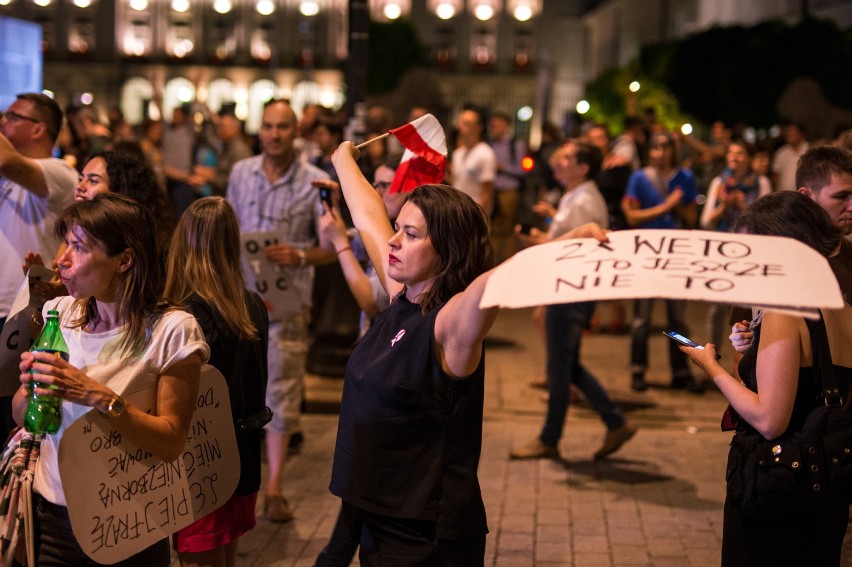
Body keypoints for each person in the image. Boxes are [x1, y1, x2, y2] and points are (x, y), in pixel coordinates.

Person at [328, 139, 607, 564]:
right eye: (398, 227)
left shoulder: (450, 322)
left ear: (448, 250)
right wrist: (342, 160)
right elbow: (366, 213)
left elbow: (499, 282)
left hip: (425, 535)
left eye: (412, 233)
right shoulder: (401, 294)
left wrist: (569, 242)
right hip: (378, 515)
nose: (393, 241)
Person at [15, 192, 209, 566]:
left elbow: (171, 441)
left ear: (125, 260)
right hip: (54, 515)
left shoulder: (173, 330)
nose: (61, 261)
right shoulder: (59, 314)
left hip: (131, 521)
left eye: (79, 247)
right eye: (66, 245)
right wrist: (31, 388)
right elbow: (22, 416)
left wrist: (99, 397)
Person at [681, 191, 852, 566]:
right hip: (827, 488)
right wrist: (755, 346)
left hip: (779, 491)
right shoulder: (839, 304)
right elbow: (816, 375)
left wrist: (711, 366)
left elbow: (770, 419)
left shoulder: (783, 307)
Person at [226, 99, 335, 523]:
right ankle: (238, 482)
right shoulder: (240, 173)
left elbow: (331, 250)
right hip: (238, 301)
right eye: (268, 126)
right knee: (237, 393)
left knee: (283, 392)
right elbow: (228, 232)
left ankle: (274, 489)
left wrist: (302, 256)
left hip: (286, 307)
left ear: (296, 132)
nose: (274, 134)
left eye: (283, 127)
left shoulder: (316, 182)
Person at [509, 140, 637, 461]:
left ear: (583, 167)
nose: (559, 162)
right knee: (568, 365)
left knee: (559, 367)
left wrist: (541, 243)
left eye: (568, 158)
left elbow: (574, 249)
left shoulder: (582, 201)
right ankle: (614, 422)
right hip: (568, 287)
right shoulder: (576, 197)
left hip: (570, 290)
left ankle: (549, 439)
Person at [164, 197, 269, 567]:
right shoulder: (252, 304)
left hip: (200, 466)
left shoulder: (187, 314)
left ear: (184, 241)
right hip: (243, 459)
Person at [1, 93, 78, 441]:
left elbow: (6, 160)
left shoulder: (59, 171)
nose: (4, 120)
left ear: (39, 129)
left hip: (22, 315)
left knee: (10, 421)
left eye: (13, 116)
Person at [621, 132, 701, 393]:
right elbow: (632, 216)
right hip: (646, 253)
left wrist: (676, 206)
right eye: (655, 147)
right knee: (641, 318)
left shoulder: (685, 177)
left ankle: (681, 371)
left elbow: (690, 216)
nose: (661, 152)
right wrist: (666, 205)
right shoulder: (639, 177)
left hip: (676, 254)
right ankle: (638, 370)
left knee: (677, 319)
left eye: (665, 147)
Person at [700, 140, 771, 348]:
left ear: (748, 157)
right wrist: (725, 205)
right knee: (717, 309)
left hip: (751, 254)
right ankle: (712, 357)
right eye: (730, 153)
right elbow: (705, 221)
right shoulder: (718, 183)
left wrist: (745, 207)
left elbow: (769, 222)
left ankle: (747, 362)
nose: (734, 157)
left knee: (748, 311)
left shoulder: (761, 182)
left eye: (739, 153)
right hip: (723, 252)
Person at [488, 111, 527, 263]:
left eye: (499, 123)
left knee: (508, 227)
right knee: (494, 227)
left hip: (509, 190)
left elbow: (521, 170)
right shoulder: (491, 143)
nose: (496, 127)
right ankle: (494, 259)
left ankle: (508, 260)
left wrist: (502, 167)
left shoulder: (515, 144)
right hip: (493, 190)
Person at [449, 106, 497, 214]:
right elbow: (456, 182)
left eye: (467, 123)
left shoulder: (486, 153)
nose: (461, 127)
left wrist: (479, 217)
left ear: (478, 127)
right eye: (460, 123)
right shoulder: (458, 153)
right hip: (457, 211)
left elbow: (487, 192)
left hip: (474, 212)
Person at [211, 113, 253, 197]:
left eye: (223, 126)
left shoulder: (239, 150)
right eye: (219, 127)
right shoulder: (227, 146)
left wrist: (212, 177)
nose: (220, 130)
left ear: (235, 128)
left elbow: (240, 181)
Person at [771, 122, 809, 191]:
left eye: (792, 133)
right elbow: (776, 175)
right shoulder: (781, 152)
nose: (789, 135)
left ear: (801, 134)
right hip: (784, 195)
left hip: (803, 195)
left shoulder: (809, 150)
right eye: (788, 133)